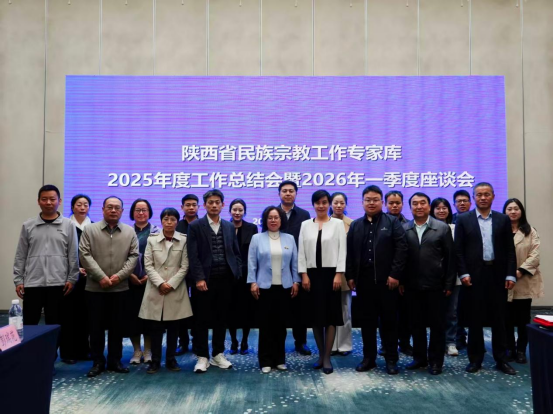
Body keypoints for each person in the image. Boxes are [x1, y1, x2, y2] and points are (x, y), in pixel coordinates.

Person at [454, 183, 517, 375]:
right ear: (474, 197)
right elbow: (458, 250)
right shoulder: (463, 219)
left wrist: (510, 274)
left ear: (493, 196)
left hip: (497, 274)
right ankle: (475, 359)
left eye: (486, 194)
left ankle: (501, 359)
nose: (483, 198)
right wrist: (463, 273)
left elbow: (509, 249)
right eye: (479, 194)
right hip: (473, 276)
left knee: (499, 319)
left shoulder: (502, 219)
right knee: (475, 319)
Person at [13, 185, 79, 364]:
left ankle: (50, 357)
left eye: (52, 199)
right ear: (38, 201)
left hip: (58, 283)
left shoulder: (68, 225)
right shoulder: (28, 225)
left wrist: (72, 278)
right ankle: (27, 356)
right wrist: (18, 279)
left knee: (54, 324)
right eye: (44, 199)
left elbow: (73, 255)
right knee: (29, 323)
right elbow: (21, 255)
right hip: (33, 282)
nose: (48, 202)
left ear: (59, 201)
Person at [346, 185, 408, 376]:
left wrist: (395, 275)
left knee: (389, 322)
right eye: (368, 200)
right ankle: (369, 358)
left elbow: (401, 249)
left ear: (382, 202)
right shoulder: (356, 225)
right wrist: (350, 276)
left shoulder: (392, 222)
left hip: (387, 281)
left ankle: (391, 359)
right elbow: (350, 253)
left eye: (375, 200)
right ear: (362, 202)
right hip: (364, 282)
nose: (371, 203)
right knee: (367, 322)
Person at [79, 196, 139, 378]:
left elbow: (133, 256)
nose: (113, 210)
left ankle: (115, 360)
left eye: (117, 208)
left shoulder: (129, 231)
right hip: (95, 288)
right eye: (110, 207)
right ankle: (97, 361)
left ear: (122, 211)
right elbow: (84, 254)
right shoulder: (90, 230)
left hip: (120, 288)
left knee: (117, 327)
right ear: (103, 209)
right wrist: (101, 277)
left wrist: (119, 276)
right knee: (95, 327)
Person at [187, 189, 242, 374]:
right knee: (201, 319)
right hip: (204, 281)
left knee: (221, 318)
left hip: (225, 279)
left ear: (222, 205)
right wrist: (199, 278)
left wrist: (236, 271)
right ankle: (202, 356)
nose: (214, 205)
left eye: (217, 202)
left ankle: (218, 354)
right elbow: (193, 255)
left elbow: (235, 252)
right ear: (204, 205)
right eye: (210, 202)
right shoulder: (195, 226)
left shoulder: (228, 226)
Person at [403, 193, 456, 376]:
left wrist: (449, 283)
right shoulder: (405, 228)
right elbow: (401, 258)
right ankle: (419, 358)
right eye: (415, 203)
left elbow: (450, 258)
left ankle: (435, 361)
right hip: (411, 285)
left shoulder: (441, 228)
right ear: (410, 207)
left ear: (428, 206)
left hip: (436, 285)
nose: (419, 206)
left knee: (437, 326)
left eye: (422, 203)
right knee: (416, 324)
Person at [299, 190, 347, 375]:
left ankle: (327, 357)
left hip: (331, 275)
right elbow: (301, 252)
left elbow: (342, 251)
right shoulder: (305, 225)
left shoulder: (337, 224)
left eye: (324, 202)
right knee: (316, 317)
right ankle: (321, 354)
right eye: (317, 202)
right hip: (311, 275)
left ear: (329, 204)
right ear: (313, 204)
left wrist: (339, 274)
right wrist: (304, 274)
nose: (321, 206)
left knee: (331, 317)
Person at [139, 208, 193, 374]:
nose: (169, 223)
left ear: (177, 221)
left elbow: (185, 266)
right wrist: (161, 283)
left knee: (174, 328)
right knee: (155, 328)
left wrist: (171, 284)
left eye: (172, 219)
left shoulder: (184, 240)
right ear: (161, 221)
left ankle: (171, 359)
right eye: (166, 219)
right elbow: (148, 265)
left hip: (175, 289)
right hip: (156, 289)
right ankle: (155, 360)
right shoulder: (152, 239)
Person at [248, 206, 300, 374]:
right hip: (264, 287)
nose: (273, 220)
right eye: (270, 217)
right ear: (265, 220)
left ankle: (279, 359)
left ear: (281, 220)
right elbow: (252, 263)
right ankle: (265, 360)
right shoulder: (257, 238)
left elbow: (295, 262)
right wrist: (252, 282)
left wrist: (296, 281)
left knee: (281, 325)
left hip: (285, 287)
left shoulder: (289, 238)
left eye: (276, 217)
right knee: (265, 326)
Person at [504, 198, 544, 364]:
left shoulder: (530, 231)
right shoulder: (500, 229)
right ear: (504, 212)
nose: (513, 212)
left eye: (516, 209)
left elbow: (535, 255)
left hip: (524, 279)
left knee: (522, 318)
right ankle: (509, 348)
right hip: (504, 281)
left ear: (521, 211)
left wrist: (519, 271)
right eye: (509, 209)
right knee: (506, 318)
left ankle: (521, 350)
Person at [279, 180, 312, 356]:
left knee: (300, 308)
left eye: (291, 191)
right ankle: (278, 343)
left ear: (296, 194)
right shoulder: (273, 213)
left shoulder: (304, 215)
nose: (288, 193)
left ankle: (301, 342)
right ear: (279, 194)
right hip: (277, 266)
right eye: (284, 191)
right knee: (280, 307)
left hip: (299, 265)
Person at [61, 194, 94, 364]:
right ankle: (68, 352)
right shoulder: (65, 225)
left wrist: (90, 268)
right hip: (69, 277)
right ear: (72, 206)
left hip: (90, 277)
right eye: (79, 204)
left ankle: (84, 349)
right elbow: (61, 252)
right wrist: (74, 269)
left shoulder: (94, 226)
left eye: (85, 204)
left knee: (86, 315)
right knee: (69, 315)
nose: (82, 207)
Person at [127, 199, 159, 366]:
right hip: (129, 280)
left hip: (150, 280)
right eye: (138, 210)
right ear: (132, 212)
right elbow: (120, 255)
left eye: (144, 210)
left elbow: (160, 257)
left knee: (149, 317)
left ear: (149, 212)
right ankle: (136, 350)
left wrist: (149, 275)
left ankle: (147, 350)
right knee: (132, 317)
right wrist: (129, 274)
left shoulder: (157, 232)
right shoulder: (125, 231)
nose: (141, 213)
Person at [430, 197, 462, 357]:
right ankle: (435, 342)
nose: (441, 211)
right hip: (432, 277)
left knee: (452, 312)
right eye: (438, 208)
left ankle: (450, 342)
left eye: (444, 208)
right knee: (434, 312)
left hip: (453, 276)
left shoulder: (456, 228)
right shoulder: (428, 228)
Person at [383, 190, 413, 357]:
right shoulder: (381, 222)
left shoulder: (409, 224)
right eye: (391, 203)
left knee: (406, 313)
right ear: (385, 204)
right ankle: (386, 345)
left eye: (397, 203)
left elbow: (407, 253)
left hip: (405, 277)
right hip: (385, 277)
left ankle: (405, 343)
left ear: (402, 204)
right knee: (386, 315)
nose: (394, 206)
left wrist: (402, 278)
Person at [228, 199, 259, 355]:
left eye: (240, 210)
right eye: (234, 209)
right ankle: (234, 342)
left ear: (244, 212)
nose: (237, 212)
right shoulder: (224, 227)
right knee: (230, 310)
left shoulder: (252, 228)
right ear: (230, 211)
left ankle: (245, 341)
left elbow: (254, 252)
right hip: (229, 275)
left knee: (247, 309)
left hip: (247, 274)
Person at [329, 192, 354, 357]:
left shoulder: (352, 224)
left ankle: (344, 345)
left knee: (345, 309)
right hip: (328, 271)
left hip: (345, 272)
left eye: (341, 203)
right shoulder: (324, 222)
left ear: (346, 204)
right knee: (330, 309)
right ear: (331, 204)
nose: (338, 206)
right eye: (335, 202)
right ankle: (331, 344)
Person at [175, 194, 200, 356]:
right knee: (180, 308)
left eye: (194, 205)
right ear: (182, 207)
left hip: (198, 274)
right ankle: (182, 341)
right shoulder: (177, 225)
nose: (191, 207)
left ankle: (197, 341)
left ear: (198, 207)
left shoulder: (203, 224)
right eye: (188, 205)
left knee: (198, 308)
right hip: (179, 274)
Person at [451, 190, 472, 349]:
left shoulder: (475, 219)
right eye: (459, 201)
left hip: (474, 268)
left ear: (470, 203)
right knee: (455, 307)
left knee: (470, 306)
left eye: (465, 200)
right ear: (454, 204)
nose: (462, 203)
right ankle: (458, 336)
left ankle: (473, 338)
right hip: (455, 270)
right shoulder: (449, 221)